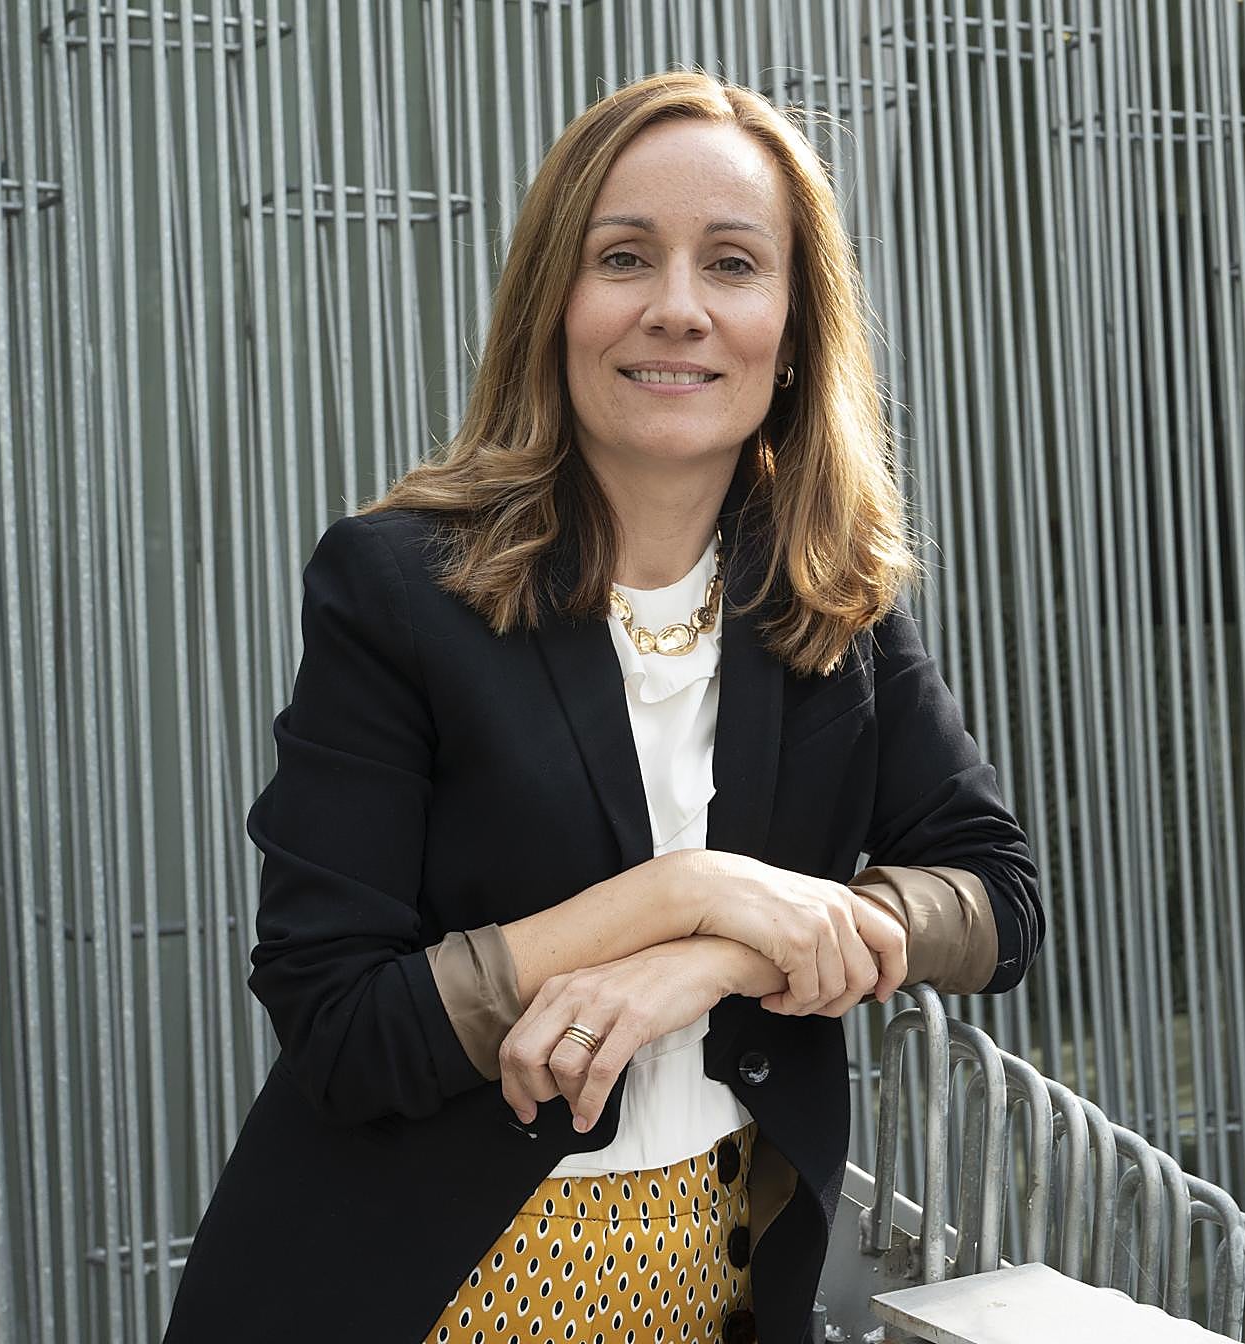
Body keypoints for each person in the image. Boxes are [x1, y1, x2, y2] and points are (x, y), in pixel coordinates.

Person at [164, 70, 1040, 1343]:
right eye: (624, 257)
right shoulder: (396, 588)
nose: (678, 307)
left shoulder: (828, 594)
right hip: (422, 1297)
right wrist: (680, 893)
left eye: (733, 264)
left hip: (714, 1293)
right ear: (555, 308)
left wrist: (715, 959)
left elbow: (998, 900)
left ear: (794, 330)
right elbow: (341, 1027)